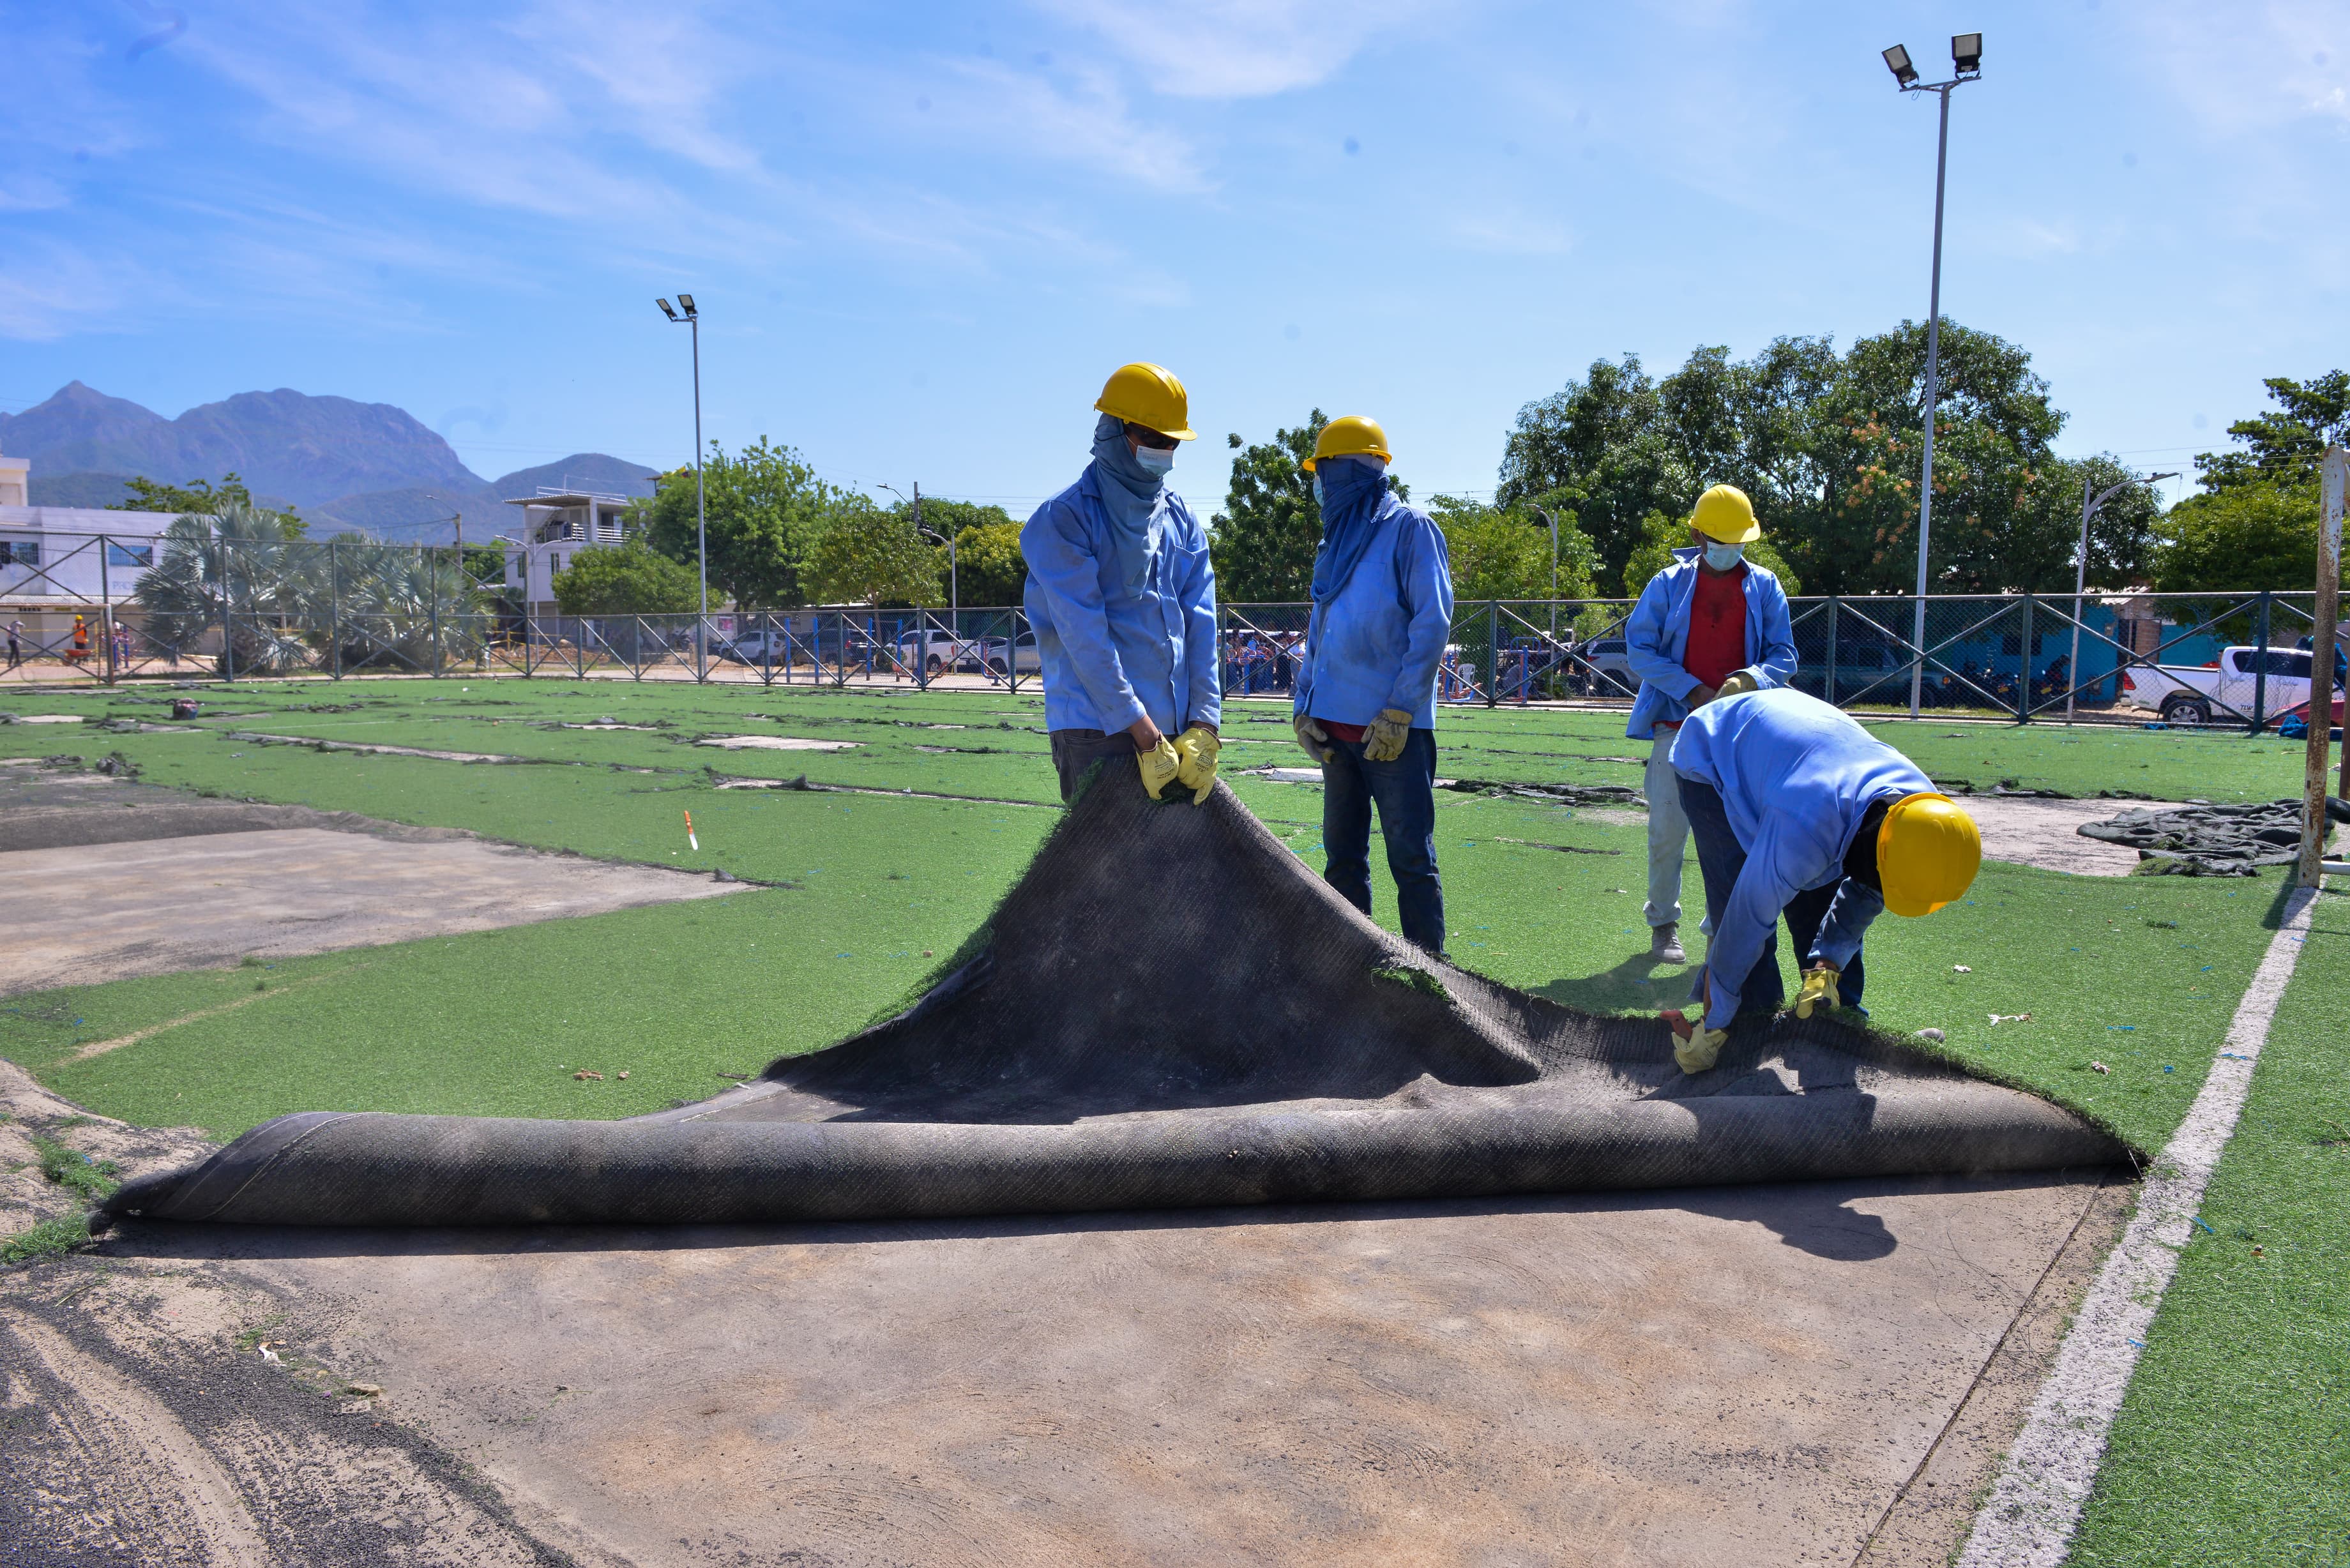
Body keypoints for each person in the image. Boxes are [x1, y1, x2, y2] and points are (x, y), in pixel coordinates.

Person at [1663, 686, 1982, 1074]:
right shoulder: (1805, 829)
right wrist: (1714, 1024)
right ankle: (1745, 1037)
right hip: (1714, 755)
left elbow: (1869, 889)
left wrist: (1826, 966)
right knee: (1742, 912)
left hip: (1798, 757)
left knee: (1818, 907)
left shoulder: (1923, 816)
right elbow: (1744, 922)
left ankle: (1837, 1028)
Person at [1290, 417, 1455, 954]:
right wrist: (1304, 706)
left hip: (1393, 732)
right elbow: (1320, 629)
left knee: (1410, 857)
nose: (1318, 483)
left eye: (1323, 470)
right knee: (1342, 858)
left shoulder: (1410, 529)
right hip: (1336, 731)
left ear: (1351, 470)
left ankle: (1434, 976)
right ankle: (1351, 970)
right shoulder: (1333, 540)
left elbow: (1432, 623)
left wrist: (1401, 710)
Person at [1023, 362, 1221, 806]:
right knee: (1103, 873)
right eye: (1150, 438)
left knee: (1179, 873)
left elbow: (1201, 623)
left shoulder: (1181, 518)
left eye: (1170, 441)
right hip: (1098, 728)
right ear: (1113, 431)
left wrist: (1206, 725)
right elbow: (1084, 635)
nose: (1162, 450)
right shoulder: (1065, 519)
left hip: (1177, 732)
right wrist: (1144, 734)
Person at [1623, 484, 1797, 965]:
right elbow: (1640, 650)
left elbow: (1784, 654)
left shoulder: (1765, 586)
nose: (1730, 550)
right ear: (1698, 537)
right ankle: (1664, 924)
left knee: (1737, 835)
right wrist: (1693, 691)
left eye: (1737, 541)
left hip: (1741, 733)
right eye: (1721, 541)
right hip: (1676, 728)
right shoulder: (1667, 583)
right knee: (1667, 831)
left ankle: (1720, 926)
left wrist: (1750, 678)